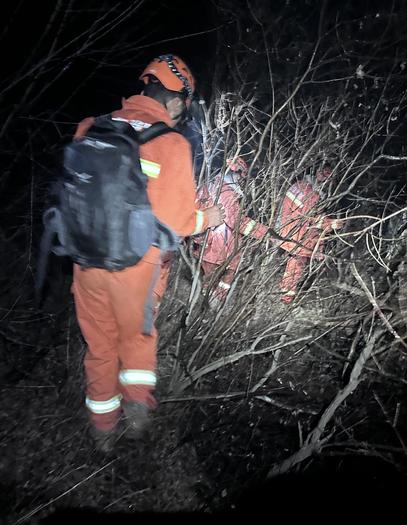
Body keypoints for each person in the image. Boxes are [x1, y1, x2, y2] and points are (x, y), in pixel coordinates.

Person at [71, 54, 225, 451]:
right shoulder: (171, 143)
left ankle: (101, 432)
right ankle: (137, 423)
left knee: (99, 346)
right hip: (136, 269)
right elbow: (176, 222)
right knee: (136, 340)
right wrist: (210, 216)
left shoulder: (90, 128)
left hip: (86, 261)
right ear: (176, 101)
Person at [195, 156, 270, 305]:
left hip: (206, 243)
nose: (243, 181)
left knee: (214, 278)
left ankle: (209, 305)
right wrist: (265, 233)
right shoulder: (226, 191)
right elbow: (237, 221)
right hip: (218, 247)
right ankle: (210, 308)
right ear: (238, 174)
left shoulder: (211, 184)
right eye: (242, 177)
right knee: (218, 279)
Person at [276, 165, 344, 304]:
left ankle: (282, 293)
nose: (326, 181)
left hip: (286, 230)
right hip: (297, 236)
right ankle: (285, 299)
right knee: (295, 268)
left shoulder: (300, 185)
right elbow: (310, 220)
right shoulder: (312, 193)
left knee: (290, 266)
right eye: (326, 177)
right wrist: (331, 224)